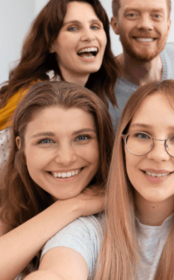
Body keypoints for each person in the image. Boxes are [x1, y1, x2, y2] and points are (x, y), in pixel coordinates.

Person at [29, 80, 174, 280]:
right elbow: (56, 273)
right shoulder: (86, 231)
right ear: (122, 144)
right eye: (142, 135)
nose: (158, 154)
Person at [0, 81, 113, 280]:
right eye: (46, 141)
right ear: (22, 149)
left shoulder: (107, 221)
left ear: (102, 142)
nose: (66, 158)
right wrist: (73, 206)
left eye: (82, 138)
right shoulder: (10, 206)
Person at [0, 0, 119, 169]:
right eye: (73, 28)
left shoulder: (91, 94)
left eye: (95, 26)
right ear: (51, 43)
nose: (89, 36)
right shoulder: (32, 99)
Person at [108, 0, 174, 131]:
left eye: (156, 15)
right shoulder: (101, 88)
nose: (145, 24)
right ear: (115, 25)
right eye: (132, 14)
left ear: (168, 25)